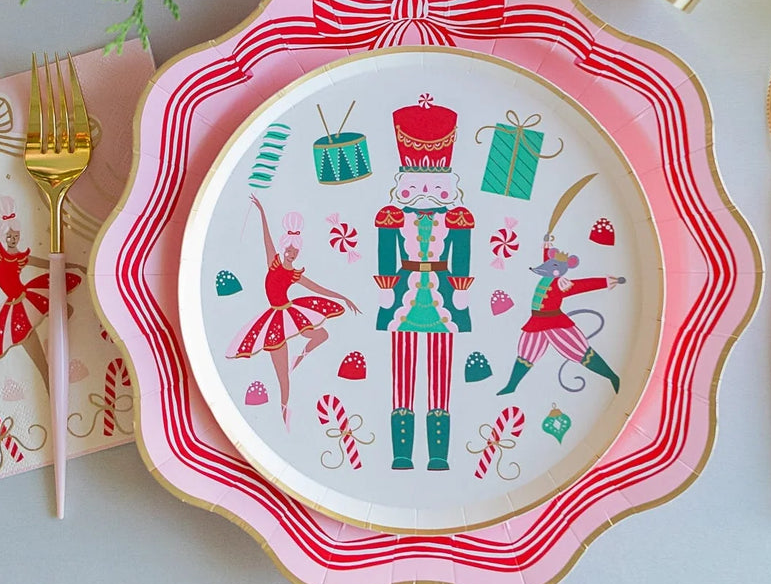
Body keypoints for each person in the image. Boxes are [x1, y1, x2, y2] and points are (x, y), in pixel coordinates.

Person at [374, 95, 474, 471]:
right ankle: (400, 455)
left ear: (446, 184)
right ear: (406, 182)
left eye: (434, 184)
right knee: (401, 379)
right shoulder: (391, 217)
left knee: (440, 380)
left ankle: (438, 456)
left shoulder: (459, 218)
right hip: (404, 301)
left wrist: (461, 295)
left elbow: (462, 258)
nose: (426, 190)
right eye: (419, 183)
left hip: (444, 303)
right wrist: (386, 289)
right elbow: (386, 255)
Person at [227, 196, 359, 429]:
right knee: (282, 375)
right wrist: (262, 212)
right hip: (274, 318)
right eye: (289, 249)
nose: (292, 253)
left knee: (322, 334)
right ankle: (284, 409)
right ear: (283, 246)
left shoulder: (293, 274)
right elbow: (265, 239)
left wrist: (343, 297)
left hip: (290, 312)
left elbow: (318, 288)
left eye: (295, 251)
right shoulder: (274, 263)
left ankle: (301, 357)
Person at [0, 191, 83, 386]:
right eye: (9, 235)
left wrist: (74, 266)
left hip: (27, 296)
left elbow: (46, 263)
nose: (13, 239)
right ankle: (48, 377)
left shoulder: (22, 257)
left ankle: (57, 346)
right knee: (30, 345)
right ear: (4, 236)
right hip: (15, 305)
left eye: (16, 235)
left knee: (62, 306)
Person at [496, 236, 624, 396]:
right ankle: (512, 386)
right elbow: (548, 265)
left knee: (580, 351)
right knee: (526, 353)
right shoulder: (548, 276)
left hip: (555, 323)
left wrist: (605, 282)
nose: (548, 266)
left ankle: (611, 376)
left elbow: (584, 285)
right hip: (536, 322)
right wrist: (546, 245)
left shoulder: (561, 284)